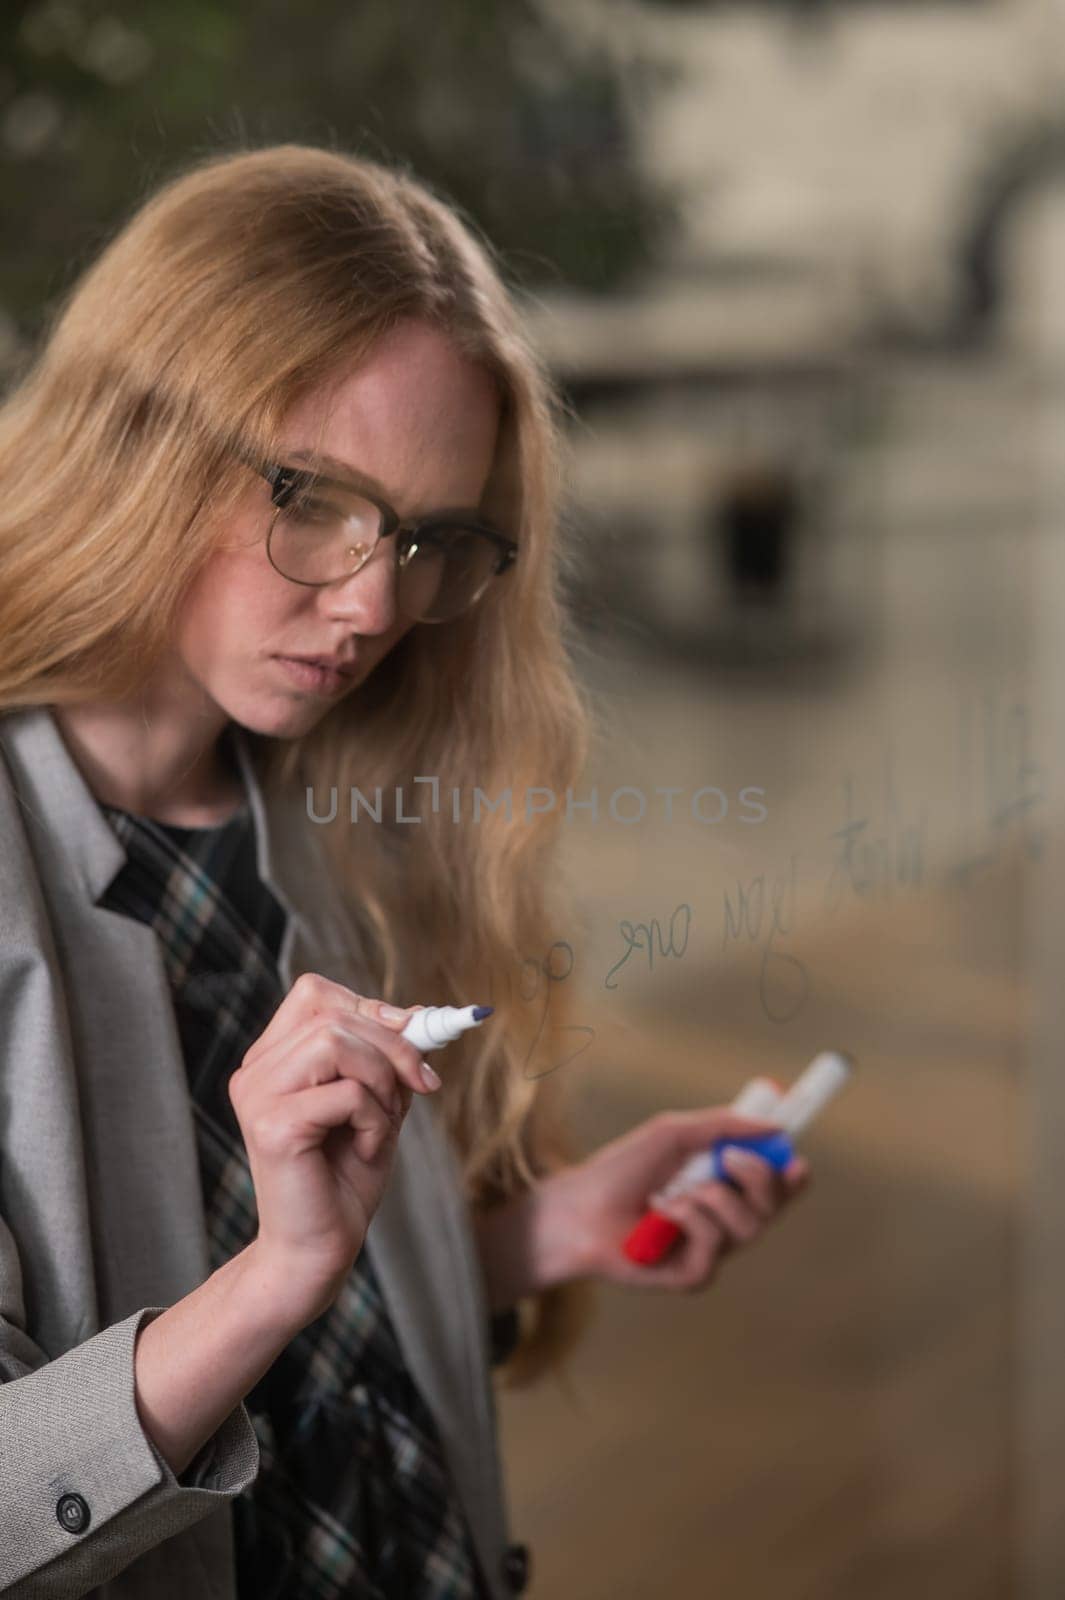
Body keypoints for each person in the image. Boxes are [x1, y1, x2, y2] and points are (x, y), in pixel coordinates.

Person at [0, 144, 809, 1600]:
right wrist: (272, 1281)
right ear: (138, 438)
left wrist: (540, 1233)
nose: (374, 604)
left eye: (434, 535)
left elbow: (320, 1316)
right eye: (311, 496)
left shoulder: (336, 809)